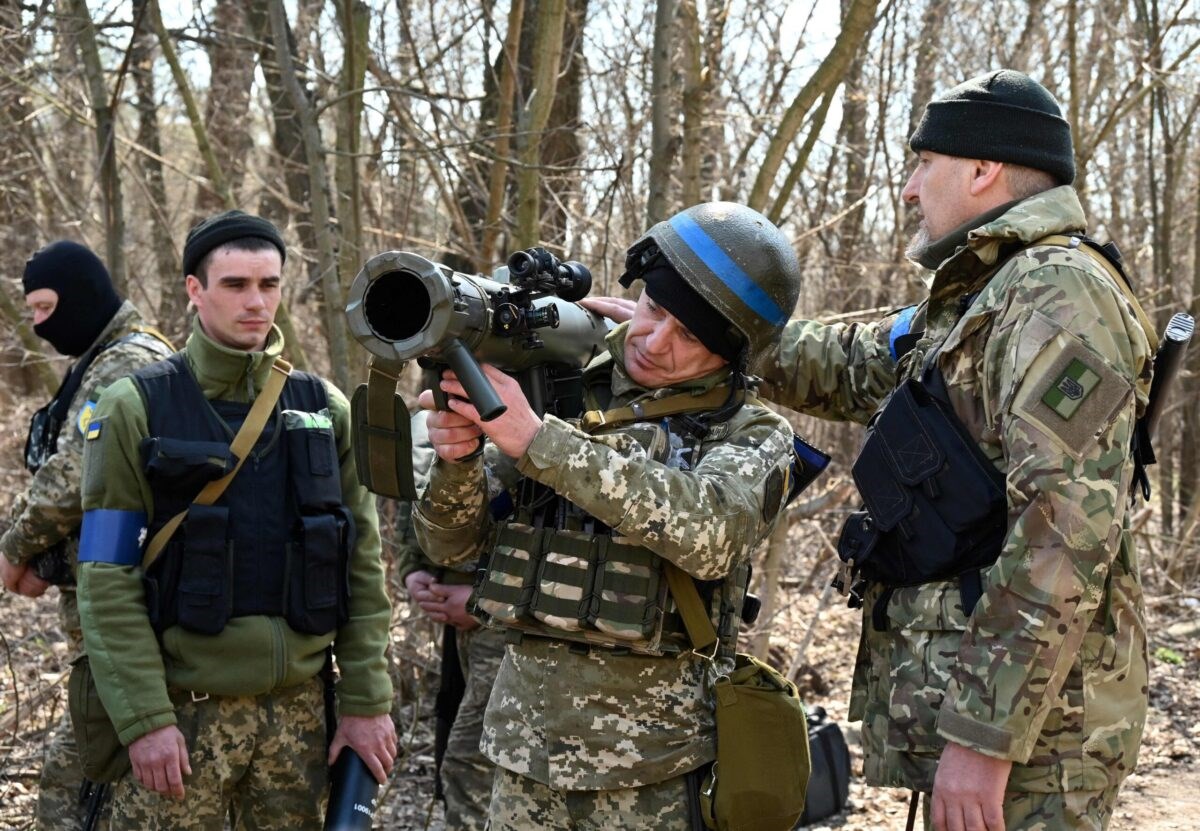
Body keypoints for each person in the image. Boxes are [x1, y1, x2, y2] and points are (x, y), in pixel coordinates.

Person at [760, 70, 1151, 831]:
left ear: (982, 171)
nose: (909, 189)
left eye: (922, 165)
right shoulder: (989, 293)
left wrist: (984, 737)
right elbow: (856, 363)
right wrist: (699, 330)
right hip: (995, 718)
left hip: (1039, 745)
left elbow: (1065, 529)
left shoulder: (1058, 293)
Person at [413, 202, 803, 829]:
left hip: (658, 769)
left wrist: (540, 442)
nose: (654, 341)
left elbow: (711, 532)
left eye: (690, 337)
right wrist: (456, 461)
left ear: (733, 355)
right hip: (524, 757)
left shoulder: (752, 431)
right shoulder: (566, 384)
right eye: (654, 310)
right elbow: (450, 546)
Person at [75, 210, 396, 829]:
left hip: (302, 720)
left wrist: (365, 701)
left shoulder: (323, 407)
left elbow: (362, 567)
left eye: (269, 285)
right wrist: (145, 720)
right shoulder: (133, 407)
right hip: (182, 717)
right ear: (194, 291)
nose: (256, 302)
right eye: (235, 285)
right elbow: (105, 575)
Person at [1, 240, 174, 829]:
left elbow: (77, 473)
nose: (41, 326)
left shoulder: (129, 361)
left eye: (46, 308)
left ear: (81, 296)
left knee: (73, 780)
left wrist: (14, 547)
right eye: (31, 315)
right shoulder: (97, 360)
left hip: (129, 613)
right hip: (99, 607)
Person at [393, 410, 504, 830]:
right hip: (460, 624)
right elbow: (419, 494)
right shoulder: (439, 409)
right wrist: (414, 570)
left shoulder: (545, 388)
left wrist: (486, 600)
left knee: (472, 764)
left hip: (513, 630)